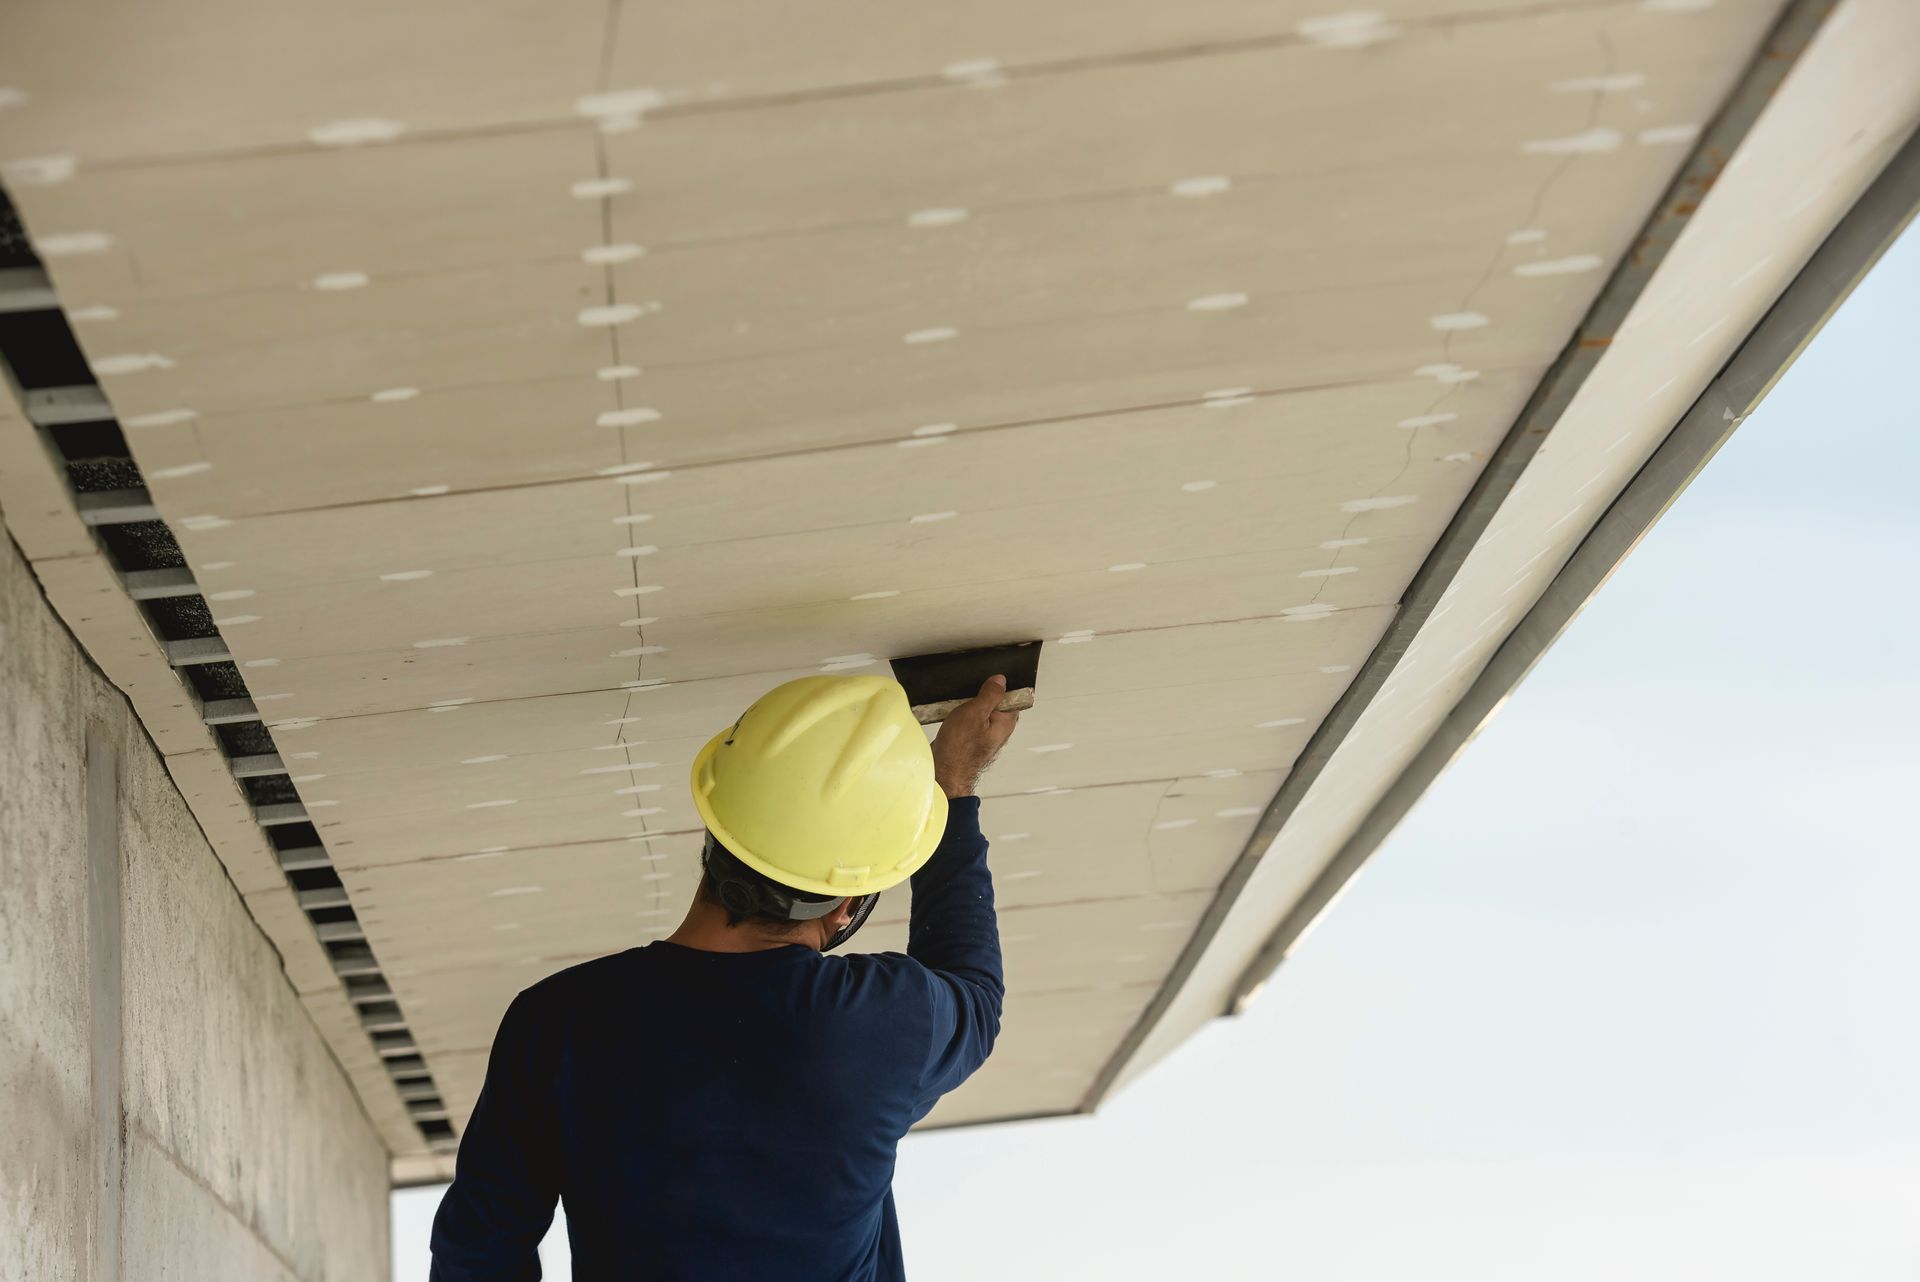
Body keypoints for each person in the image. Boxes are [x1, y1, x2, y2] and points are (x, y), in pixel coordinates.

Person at [430, 672, 1020, 1281]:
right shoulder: (883, 1024)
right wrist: (951, 784)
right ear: (848, 905)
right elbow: (973, 990)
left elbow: (480, 1248)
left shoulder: (557, 1022)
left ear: (717, 833)